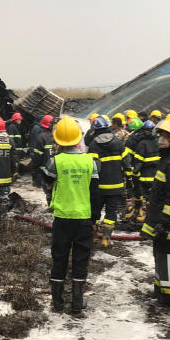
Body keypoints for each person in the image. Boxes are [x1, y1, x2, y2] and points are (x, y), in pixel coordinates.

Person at [43, 117, 99, 314]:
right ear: (78, 138)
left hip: (62, 217)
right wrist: (94, 219)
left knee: (59, 258)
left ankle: (57, 303)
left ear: (58, 140)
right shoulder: (90, 162)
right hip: (83, 218)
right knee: (81, 259)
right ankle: (77, 303)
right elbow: (95, 192)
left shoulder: (54, 161)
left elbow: (47, 180)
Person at [141, 119, 170, 305]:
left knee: (169, 261)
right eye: (160, 135)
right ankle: (161, 292)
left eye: (166, 136)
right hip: (162, 224)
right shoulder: (165, 160)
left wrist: (165, 221)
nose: (161, 139)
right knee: (160, 259)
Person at [87, 116, 126, 248]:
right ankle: (106, 239)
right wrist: (129, 180)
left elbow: (91, 168)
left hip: (99, 186)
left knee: (95, 211)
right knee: (111, 212)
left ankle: (92, 237)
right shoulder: (118, 142)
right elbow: (127, 163)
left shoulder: (93, 145)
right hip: (116, 186)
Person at [123, 118, 159, 224]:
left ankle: (148, 216)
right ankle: (141, 211)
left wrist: (133, 172)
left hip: (144, 174)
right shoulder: (157, 141)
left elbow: (138, 160)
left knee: (144, 194)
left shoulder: (140, 143)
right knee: (149, 194)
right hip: (155, 173)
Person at [32, 114, 55, 203]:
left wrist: (35, 171)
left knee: (48, 192)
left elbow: (37, 156)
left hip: (46, 171)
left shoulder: (41, 137)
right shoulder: (59, 136)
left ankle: (50, 208)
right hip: (59, 169)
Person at [28, 116, 45, 187]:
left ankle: (36, 181)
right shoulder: (37, 128)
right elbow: (37, 140)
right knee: (36, 166)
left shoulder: (36, 127)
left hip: (34, 149)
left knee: (36, 166)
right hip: (35, 150)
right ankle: (36, 182)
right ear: (41, 120)